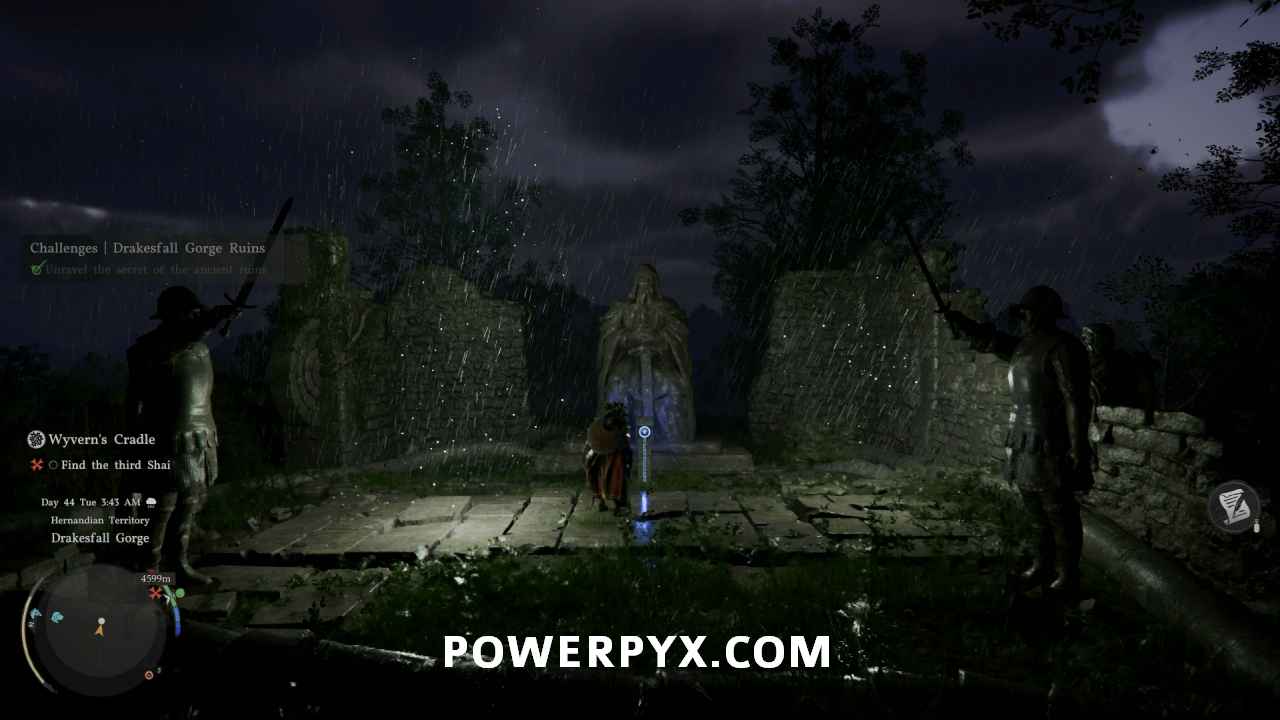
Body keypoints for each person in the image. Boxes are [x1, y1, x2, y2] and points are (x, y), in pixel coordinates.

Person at [945, 286, 1093, 599]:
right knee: (1035, 511)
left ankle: (1067, 574)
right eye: (1023, 311)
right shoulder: (1025, 345)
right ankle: (1042, 564)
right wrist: (961, 322)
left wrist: (1078, 447)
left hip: (1052, 440)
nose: (1023, 317)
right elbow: (990, 341)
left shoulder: (1063, 348)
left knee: (1059, 512)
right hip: (1024, 439)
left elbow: (1075, 401)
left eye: (1028, 311)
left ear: (1044, 314)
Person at [126, 286, 240, 585]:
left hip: (200, 434)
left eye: (196, 312)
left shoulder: (197, 346)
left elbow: (196, 333)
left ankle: (179, 564)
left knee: (189, 503)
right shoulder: (151, 348)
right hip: (166, 436)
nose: (195, 316)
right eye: (189, 312)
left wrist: (216, 318)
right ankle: (150, 572)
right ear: (172, 316)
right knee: (161, 507)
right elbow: (135, 400)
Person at [583, 402, 633, 513]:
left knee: (615, 480)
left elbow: (624, 445)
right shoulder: (602, 426)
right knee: (602, 479)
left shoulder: (619, 427)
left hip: (615, 455)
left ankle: (617, 505)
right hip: (603, 455)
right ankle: (606, 503)